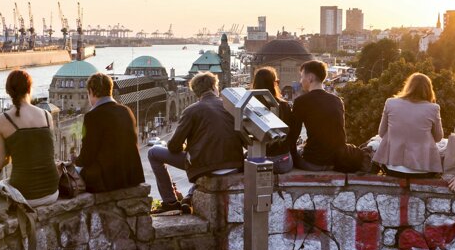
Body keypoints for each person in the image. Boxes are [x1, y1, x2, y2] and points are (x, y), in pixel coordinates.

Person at [149, 71, 244, 215]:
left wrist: (186, 147)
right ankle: (188, 197)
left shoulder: (191, 111)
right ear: (214, 87)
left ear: (196, 91)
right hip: (234, 166)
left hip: (205, 167)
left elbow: (173, 146)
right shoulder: (231, 108)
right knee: (201, 158)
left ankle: (170, 202)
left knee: (153, 152)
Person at [0, 69, 60, 207]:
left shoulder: (1, 120)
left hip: (24, 195)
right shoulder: (46, 115)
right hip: (52, 191)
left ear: (8, 92)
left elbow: (0, 163)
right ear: (30, 88)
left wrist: (13, 148)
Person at [288, 60, 364, 172]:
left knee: (297, 152)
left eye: (302, 76)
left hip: (314, 163)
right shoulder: (337, 100)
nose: (300, 81)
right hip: (337, 161)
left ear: (310, 78)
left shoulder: (301, 102)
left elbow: (293, 136)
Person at [74, 72, 145, 192]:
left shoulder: (92, 116)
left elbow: (87, 157)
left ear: (91, 91)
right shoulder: (126, 111)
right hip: (131, 177)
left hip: (107, 181)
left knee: (69, 173)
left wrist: (75, 160)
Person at [372, 73, 444, 178]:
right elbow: (438, 138)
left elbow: (382, 133)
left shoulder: (390, 103)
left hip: (392, 168)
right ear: (429, 89)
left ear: (408, 86)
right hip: (424, 171)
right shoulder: (434, 108)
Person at [251, 67, 294, 174]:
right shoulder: (284, 105)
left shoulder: (249, 105)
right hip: (282, 162)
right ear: (274, 83)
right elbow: (291, 133)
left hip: (258, 161)